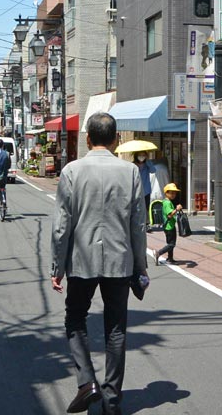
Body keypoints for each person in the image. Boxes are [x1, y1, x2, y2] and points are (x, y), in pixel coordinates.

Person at [51, 113, 147, 415]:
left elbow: (61, 226)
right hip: (120, 260)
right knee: (116, 329)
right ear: (116, 139)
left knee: (75, 319)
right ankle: (112, 400)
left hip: (81, 259)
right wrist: (140, 266)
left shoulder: (71, 171)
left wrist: (57, 266)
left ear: (88, 139)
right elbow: (139, 225)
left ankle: (87, 382)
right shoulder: (130, 172)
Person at [154, 183, 183, 266]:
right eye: (172, 192)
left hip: (169, 225)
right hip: (169, 226)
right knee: (172, 244)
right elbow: (169, 215)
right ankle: (158, 253)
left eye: (175, 193)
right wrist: (177, 209)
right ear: (166, 193)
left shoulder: (167, 202)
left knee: (170, 243)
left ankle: (170, 258)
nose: (174, 194)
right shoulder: (167, 203)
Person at [132, 151, 154, 230]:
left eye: (143, 155)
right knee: (137, 207)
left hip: (146, 190)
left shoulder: (147, 165)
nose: (141, 157)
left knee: (146, 208)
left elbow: (153, 170)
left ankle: (147, 224)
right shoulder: (133, 165)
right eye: (139, 155)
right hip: (136, 189)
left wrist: (148, 161)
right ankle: (137, 223)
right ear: (136, 156)